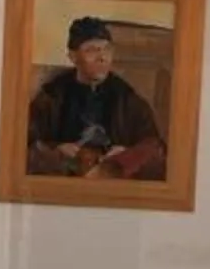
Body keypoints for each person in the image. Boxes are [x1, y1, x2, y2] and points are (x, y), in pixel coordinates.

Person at [26, 15, 167, 181]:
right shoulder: (52, 96)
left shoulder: (127, 98)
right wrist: (56, 148)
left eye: (107, 49)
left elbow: (154, 146)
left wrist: (125, 156)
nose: (102, 57)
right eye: (92, 50)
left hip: (114, 176)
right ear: (73, 57)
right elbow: (25, 144)